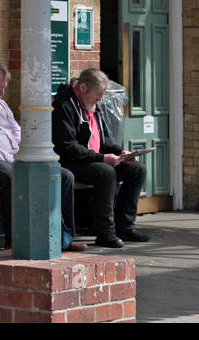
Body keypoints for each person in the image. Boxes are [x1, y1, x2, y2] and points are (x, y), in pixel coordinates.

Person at [0, 59, 84, 251]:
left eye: (4, 88)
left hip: (14, 159)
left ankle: (63, 238)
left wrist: (25, 153)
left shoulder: (1, 105)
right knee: (16, 176)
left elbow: (17, 131)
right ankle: (14, 240)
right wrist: (11, 158)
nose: (2, 93)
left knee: (63, 176)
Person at [52, 68, 149, 248]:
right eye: (98, 94)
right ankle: (105, 232)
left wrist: (121, 152)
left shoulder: (93, 107)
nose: (100, 99)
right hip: (71, 162)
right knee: (106, 172)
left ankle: (125, 226)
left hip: (92, 158)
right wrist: (102, 158)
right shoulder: (64, 106)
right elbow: (68, 146)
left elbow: (103, 139)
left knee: (137, 170)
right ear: (82, 88)